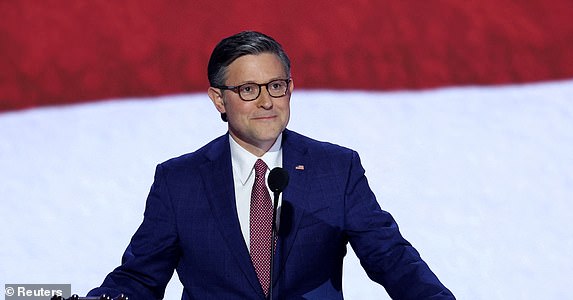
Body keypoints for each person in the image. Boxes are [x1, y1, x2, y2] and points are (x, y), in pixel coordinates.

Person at [88, 31, 455, 299]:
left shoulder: (336, 169)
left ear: (290, 88)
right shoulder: (180, 180)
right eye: (248, 89)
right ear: (219, 99)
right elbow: (139, 279)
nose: (266, 101)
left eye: (275, 86)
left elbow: (389, 256)